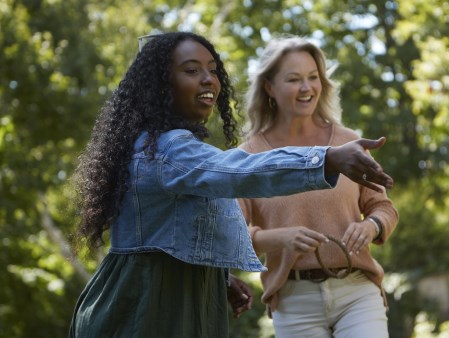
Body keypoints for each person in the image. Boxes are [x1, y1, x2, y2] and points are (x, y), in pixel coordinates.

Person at [68, 31, 393, 338]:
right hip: (145, 304)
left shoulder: (163, 146)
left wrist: (220, 277)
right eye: (191, 70)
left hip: (175, 296)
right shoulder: (169, 150)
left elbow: (173, 230)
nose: (209, 79)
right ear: (161, 84)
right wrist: (327, 160)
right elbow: (242, 171)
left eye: (212, 69)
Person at [238, 36, 399, 338]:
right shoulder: (249, 156)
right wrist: (278, 238)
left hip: (357, 291)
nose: (306, 88)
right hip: (293, 300)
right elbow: (232, 233)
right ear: (269, 87)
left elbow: (383, 207)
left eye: (313, 78)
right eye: (294, 79)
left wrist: (373, 226)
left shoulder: (347, 143)